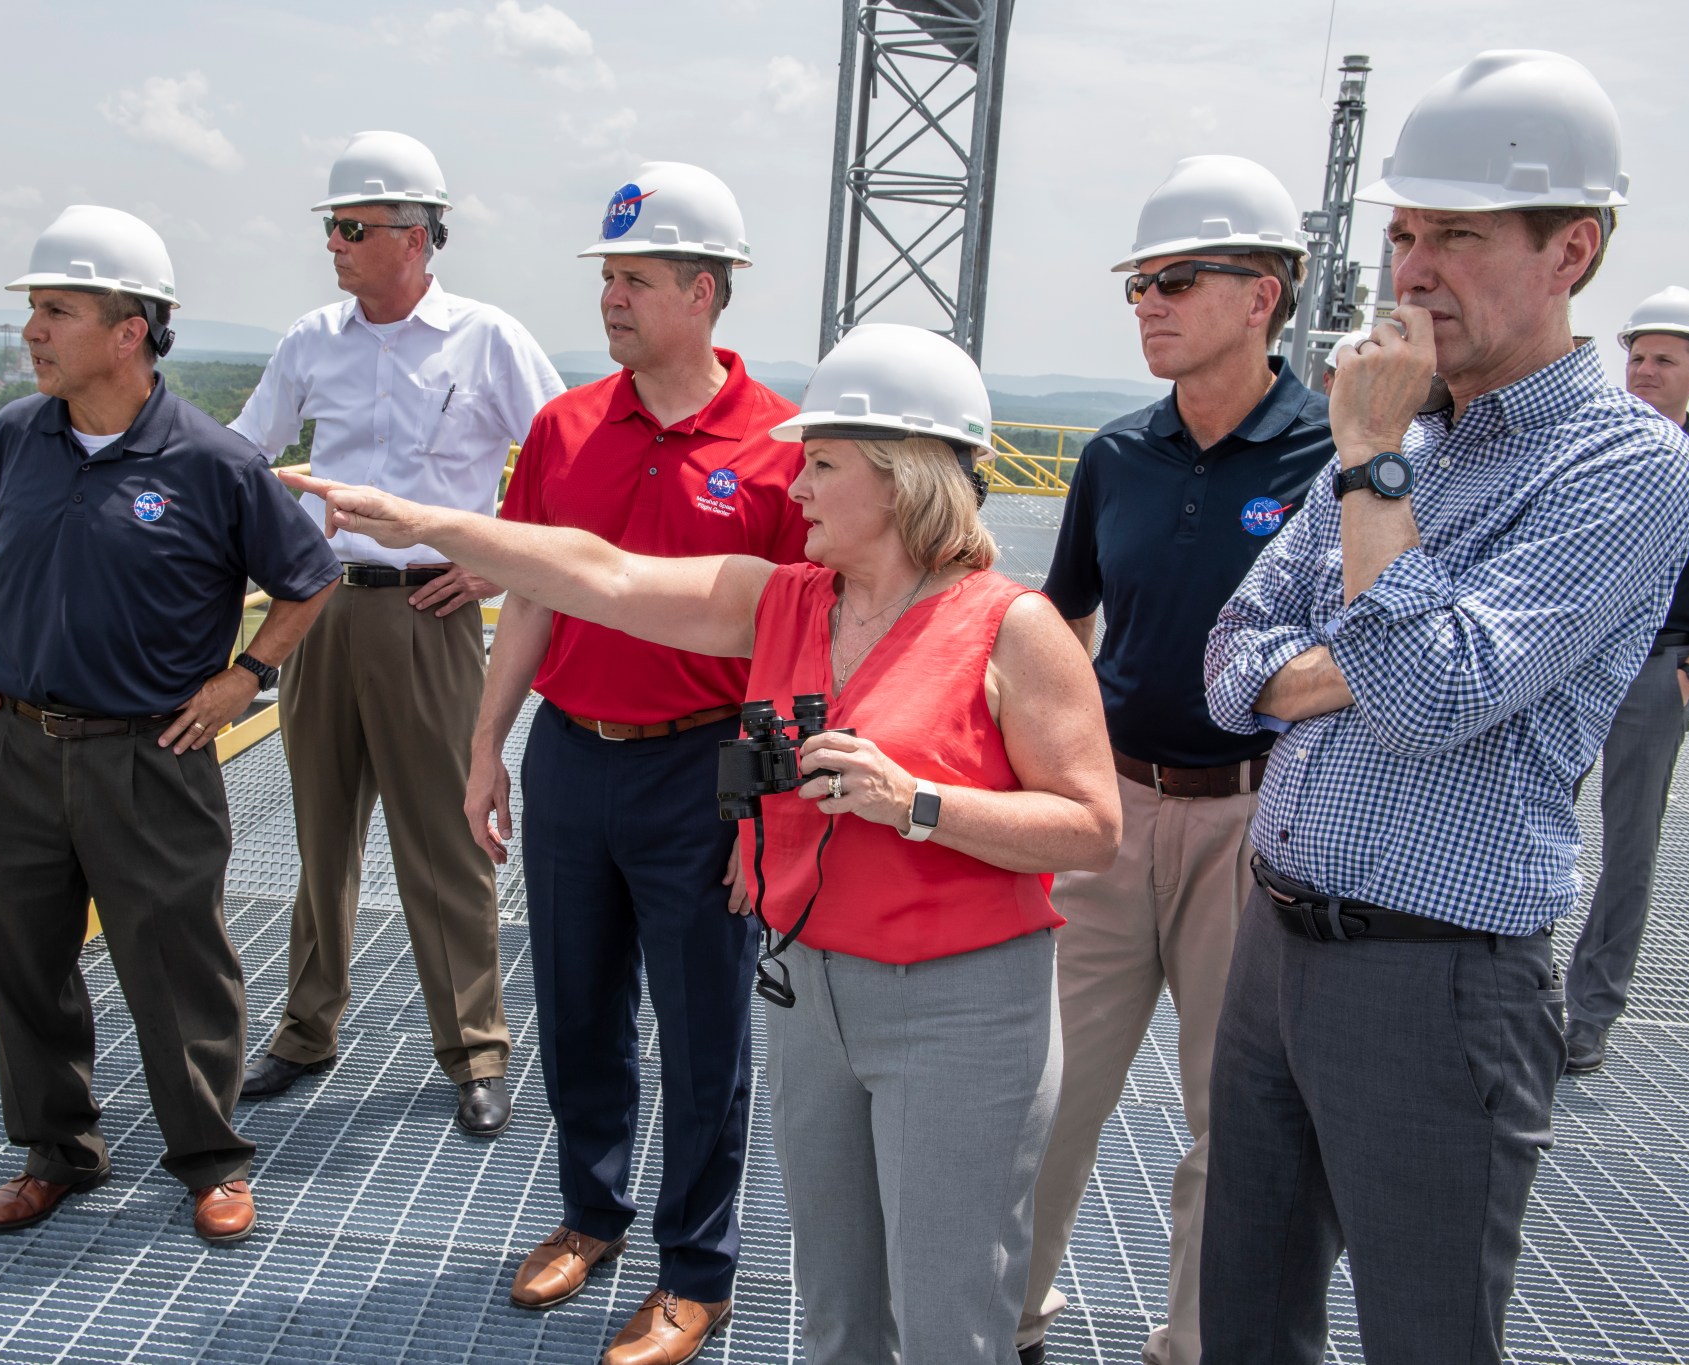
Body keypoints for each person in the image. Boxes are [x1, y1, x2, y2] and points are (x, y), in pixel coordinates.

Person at [286, 321, 1120, 1365]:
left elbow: (1091, 827)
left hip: (959, 1004)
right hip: (814, 989)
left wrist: (914, 801)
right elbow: (603, 575)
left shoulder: (1012, 628)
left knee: (950, 1312)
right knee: (833, 1306)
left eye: (820, 466)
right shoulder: (783, 602)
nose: (795, 485)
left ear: (906, 481)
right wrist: (422, 520)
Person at [1201, 51, 1689, 1364]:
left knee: (1426, 1337)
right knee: (1244, 1323)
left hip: (1436, 981)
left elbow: (1431, 700)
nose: (1411, 270)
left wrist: (1368, 471)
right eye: (1404, 231)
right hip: (1276, 947)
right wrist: (1377, 605)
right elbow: (1231, 665)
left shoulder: (1623, 463)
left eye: (1458, 236)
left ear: (1571, 251)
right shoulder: (1406, 443)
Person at [469, 163, 809, 1364]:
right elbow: (528, 601)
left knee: (703, 1032)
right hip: (571, 759)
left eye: (636, 278)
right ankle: (589, 1215)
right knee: (573, 1009)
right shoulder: (563, 427)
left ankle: (696, 1270)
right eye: (606, 276)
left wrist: (768, 814)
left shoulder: (782, 448)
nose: (610, 298)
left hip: (704, 773)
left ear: (704, 293)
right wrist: (486, 750)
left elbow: (796, 648)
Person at [0, 206, 340, 1242]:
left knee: (175, 963)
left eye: (55, 310)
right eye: (31, 309)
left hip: (147, 756)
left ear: (129, 331)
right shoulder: (12, 438)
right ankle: (55, 1152)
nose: (32, 330)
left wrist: (243, 678)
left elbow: (309, 579)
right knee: (22, 956)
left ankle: (210, 1161)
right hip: (18, 747)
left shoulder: (211, 463)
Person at [1020, 155, 1332, 1365]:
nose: (1146, 301)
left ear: (1261, 295)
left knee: (1232, 1123)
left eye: (1173, 278)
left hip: (1258, 826)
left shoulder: (1332, 460)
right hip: (1109, 816)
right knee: (1041, 1097)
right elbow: (1059, 625)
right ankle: (1005, 1319)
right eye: (1139, 285)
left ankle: (1195, 1346)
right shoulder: (1115, 457)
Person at [227, 132, 563, 1136]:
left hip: (430, 619)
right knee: (320, 834)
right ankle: (303, 1029)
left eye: (350, 227)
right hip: (323, 612)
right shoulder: (310, 341)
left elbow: (560, 459)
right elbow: (245, 457)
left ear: (414, 237)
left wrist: (496, 561)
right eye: (332, 227)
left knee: (443, 837)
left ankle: (473, 1047)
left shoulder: (486, 340)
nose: (333, 244)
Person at [1564, 285, 1689, 1072]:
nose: (1644, 370)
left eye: (1664, 360)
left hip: (1658, 669)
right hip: (1581, 663)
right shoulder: (1594, 457)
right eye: (1637, 356)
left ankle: (1590, 1012)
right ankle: (1523, 983)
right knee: (1531, 812)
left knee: (1630, 844)